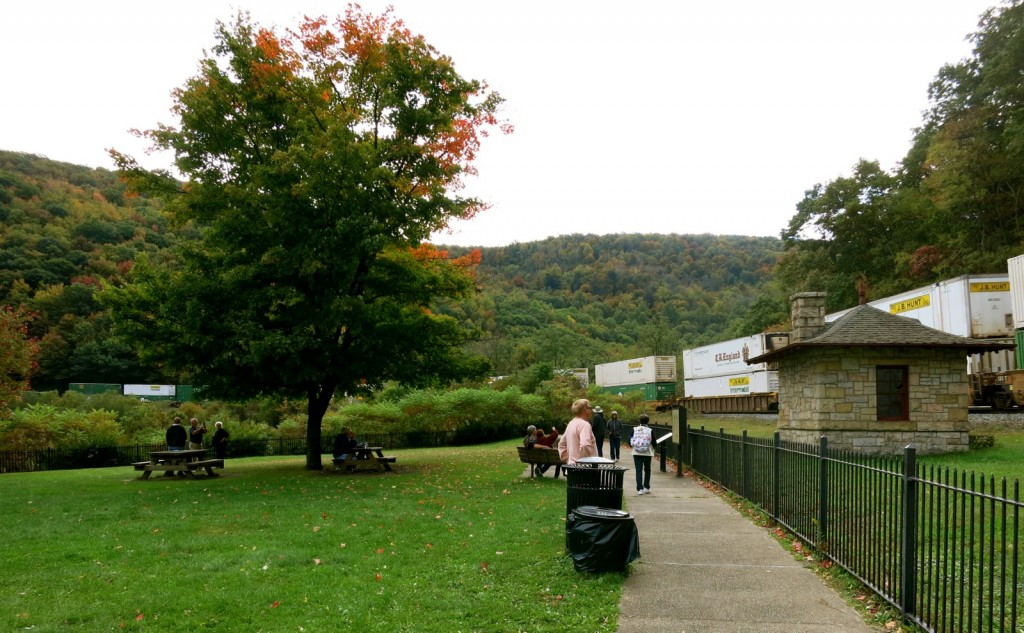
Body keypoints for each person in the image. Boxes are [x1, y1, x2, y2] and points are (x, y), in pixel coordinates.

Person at [558, 399, 597, 465]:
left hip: (571, 468)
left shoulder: (571, 423)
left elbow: (561, 444)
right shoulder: (584, 425)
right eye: (590, 407)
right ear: (585, 409)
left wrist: (568, 459)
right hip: (584, 469)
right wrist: (588, 462)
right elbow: (585, 445)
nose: (591, 410)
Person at [630, 414, 655, 495]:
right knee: (647, 470)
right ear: (648, 421)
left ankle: (639, 489)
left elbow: (629, 440)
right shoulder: (650, 430)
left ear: (639, 421)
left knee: (638, 470)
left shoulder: (635, 429)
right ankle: (646, 487)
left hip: (636, 453)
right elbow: (654, 442)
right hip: (647, 453)